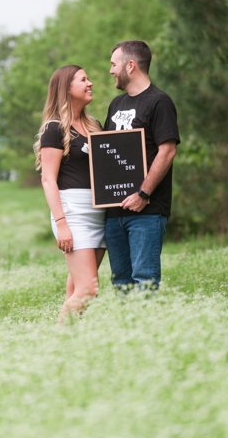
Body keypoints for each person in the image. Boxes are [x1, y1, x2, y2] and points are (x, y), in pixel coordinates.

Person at [103, 40, 180, 290]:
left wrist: (143, 193)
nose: (111, 70)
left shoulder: (160, 102)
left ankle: (146, 328)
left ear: (131, 65)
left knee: (144, 279)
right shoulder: (116, 105)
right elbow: (105, 152)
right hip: (114, 212)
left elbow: (167, 152)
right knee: (120, 283)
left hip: (146, 211)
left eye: (114, 64)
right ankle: (129, 329)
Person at [35, 65, 107, 322]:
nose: (90, 83)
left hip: (99, 213)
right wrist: (61, 223)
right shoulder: (54, 129)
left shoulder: (95, 125)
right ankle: (54, 339)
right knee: (89, 289)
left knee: (77, 289)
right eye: (83, 79)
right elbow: (47, 180)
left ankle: (68, 343)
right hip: (73, 213)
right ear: (66, 88)